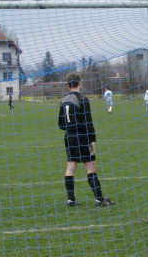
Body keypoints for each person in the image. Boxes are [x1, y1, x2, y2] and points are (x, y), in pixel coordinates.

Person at [58, 73, 115, 207]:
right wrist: (92, 139)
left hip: (69, 137)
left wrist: (70, 127)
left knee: (71, 167)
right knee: (90, 166)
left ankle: (71, 200)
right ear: (79, 83)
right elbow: (88, 123)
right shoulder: (83, 99)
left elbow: (61, 124)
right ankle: (99, 199)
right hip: (83, 137)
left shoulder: (63, 100)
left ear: (68, 84)